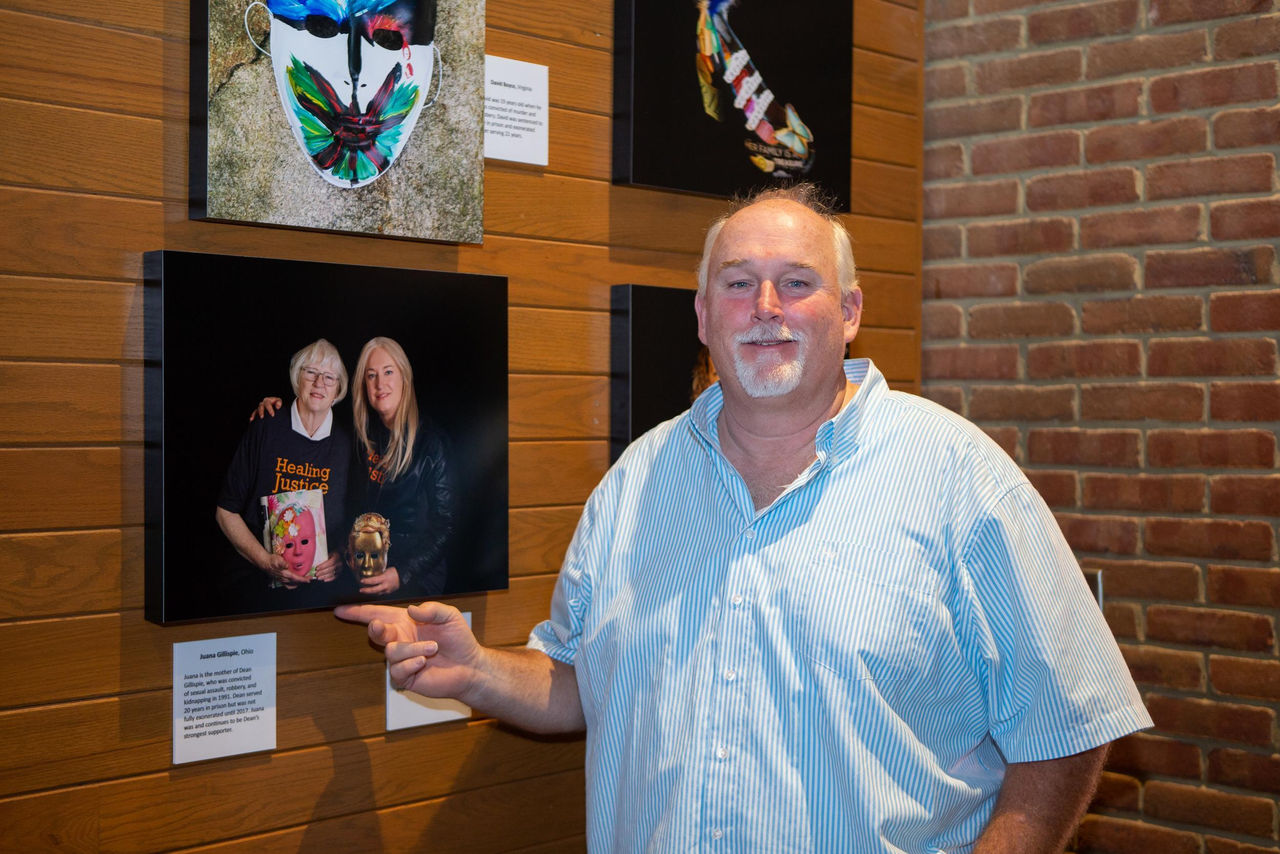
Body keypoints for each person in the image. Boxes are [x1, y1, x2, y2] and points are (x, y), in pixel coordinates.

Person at [337, 185, 1152, 853]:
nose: (766, 306)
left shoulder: (959, 479)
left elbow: (1069, 717)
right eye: (737, 283)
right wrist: (479, 670)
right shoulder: (635, 483)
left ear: (852, 310)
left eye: (797, 282)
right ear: (702, 316)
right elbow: (584, 678)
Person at [216, 339, 350, 599]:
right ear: (296, 377)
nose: (319, 383)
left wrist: (340, 557)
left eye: (329, 377)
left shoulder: (346, 444)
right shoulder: (266, 426)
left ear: (339, 389)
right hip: (254, 581)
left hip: (321, 591)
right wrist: (264, 561)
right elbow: (225, 511)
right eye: (311, 372)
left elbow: (355, 517)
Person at [347, 336, 454, 597]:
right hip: (369, 567)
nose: (380, 384)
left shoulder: (432, 443)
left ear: (404, 377)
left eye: (388, 372)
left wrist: (402, 573)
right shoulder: (365, 437)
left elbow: (446, 525)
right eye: (371, 376)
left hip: (415, 577)